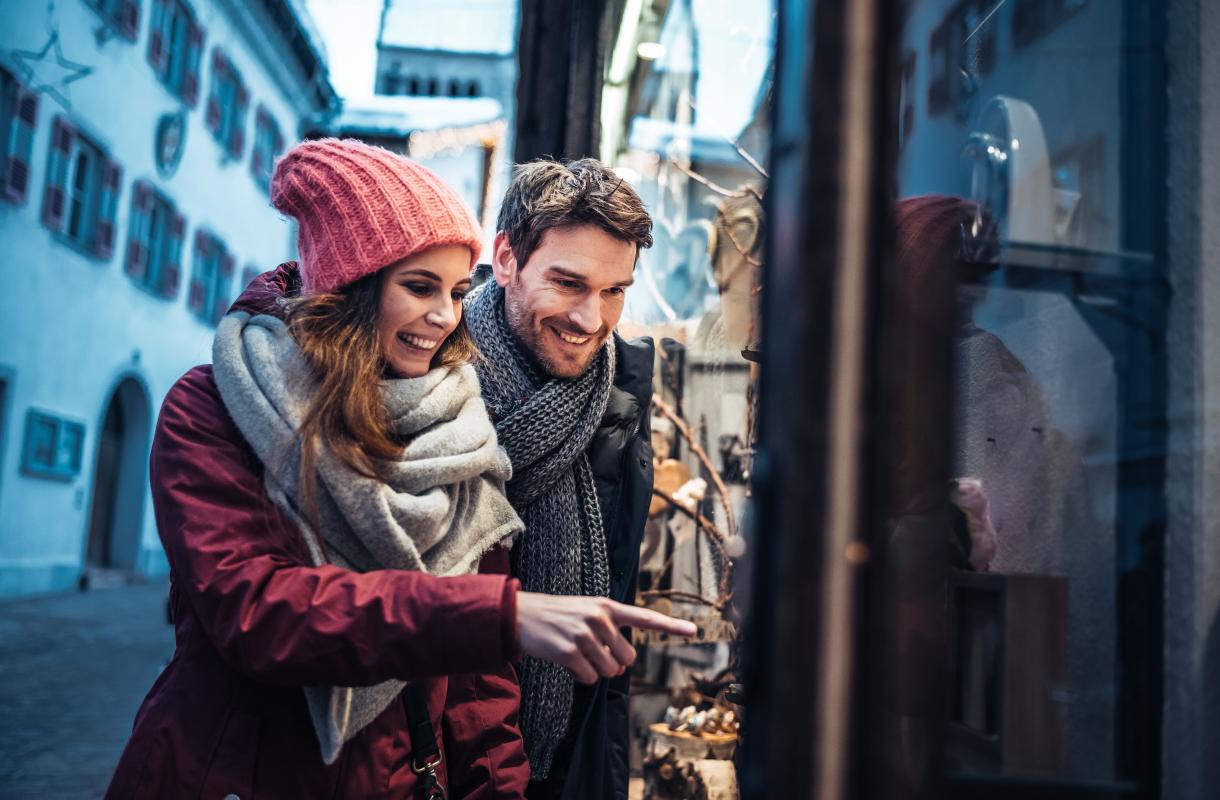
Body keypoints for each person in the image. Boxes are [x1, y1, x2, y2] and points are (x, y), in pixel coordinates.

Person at [105, 140, 693, 799]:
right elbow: (259, 613)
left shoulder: (455, 426)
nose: (445, 317)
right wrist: (499, 615)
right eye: (419, 287)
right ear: (350, 282)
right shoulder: (217, 405)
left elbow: (478, 690)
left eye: (457, 291)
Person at [463, 158, 657, 800]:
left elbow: (609, 653)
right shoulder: (429, 377)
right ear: (506, 259)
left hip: (564, 767)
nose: (591, 319)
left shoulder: (622, 393)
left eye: (615, 291)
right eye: (569, 283)